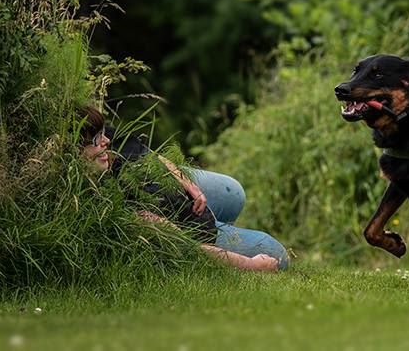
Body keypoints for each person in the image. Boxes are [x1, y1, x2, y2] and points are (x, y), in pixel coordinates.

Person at [77, 106, 289, 272]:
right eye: (96, 140)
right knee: (277, 255)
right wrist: (250, 265)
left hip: (186, 198)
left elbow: (148, 153)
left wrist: (189, 184)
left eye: (104, 133)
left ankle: (225, 228)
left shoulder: (106, 143)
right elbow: (184, 245)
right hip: (194, 229)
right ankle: (224, 239)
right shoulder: (112, 201)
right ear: (76, 151)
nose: (106, 141)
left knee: (233, 192)